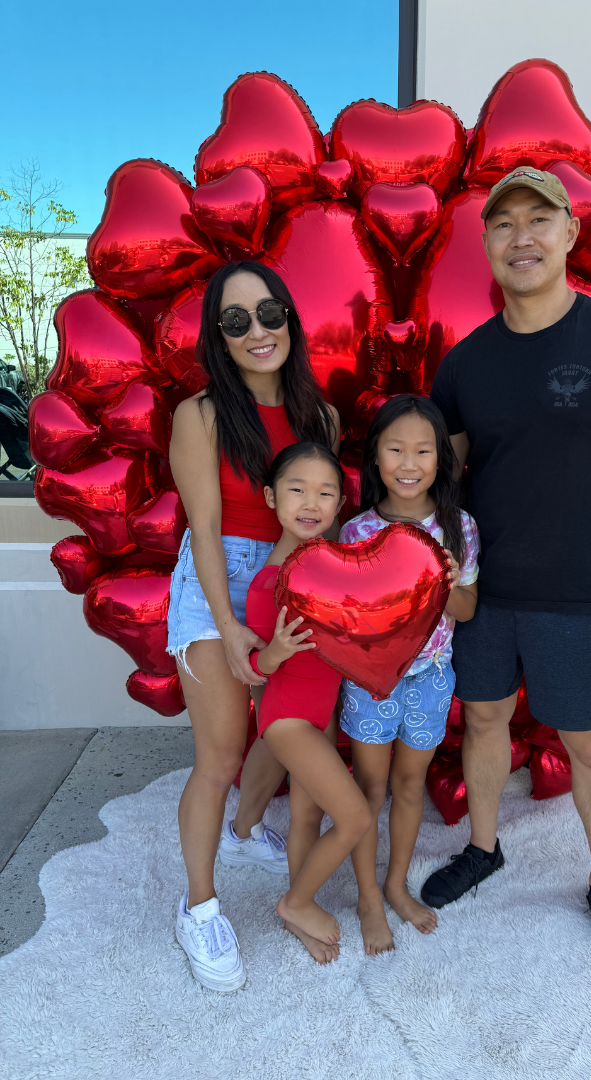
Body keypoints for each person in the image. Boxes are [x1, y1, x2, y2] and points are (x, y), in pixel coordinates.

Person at [426, 166, 591, 973]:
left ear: (571, 233)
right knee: (485, 721)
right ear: (487, 244)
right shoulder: (465, 366)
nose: (522, 237)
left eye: (540, 220)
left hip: (577, 592)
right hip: (485, 594)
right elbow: (444, 488)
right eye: (504, 225)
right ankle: (485, 846)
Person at [165, 261, 339, 991]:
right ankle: (198, 906)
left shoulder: (320, 416)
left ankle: (243, 834)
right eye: (235, 321)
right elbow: (204, 526)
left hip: (294, 572)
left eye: (268, 313)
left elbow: (317, 509)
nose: (257, 331)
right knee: (221, 752)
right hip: (216, 581)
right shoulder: (200, 414)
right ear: (218, 336)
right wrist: (232, 625)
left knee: (288, 726)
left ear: (289, 319)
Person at [336, 395, 480, 954]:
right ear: (375, 457)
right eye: (396, 449)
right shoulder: (355, 531)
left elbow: (467, 610)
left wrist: (445, 583)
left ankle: (395, 883)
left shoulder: (458, 527)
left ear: (442, 460)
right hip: (372, 680)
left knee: (410, 784)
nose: (409, 462)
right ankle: (368, 895)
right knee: (370, 788)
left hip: (431, 677)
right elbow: (345, 613)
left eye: (423, 450)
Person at [243, 442, 375, 965]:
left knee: (305, 816)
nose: (310, 502)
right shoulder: (267, 584)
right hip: (287, 720)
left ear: (340, 504)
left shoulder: (334, 569)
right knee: (356, 818)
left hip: (319, 717)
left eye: (325, 492)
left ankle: (303, 906)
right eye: (297, 489)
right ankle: (295, 902)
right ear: (273, 498)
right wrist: (273, 653)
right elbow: (250, 668)